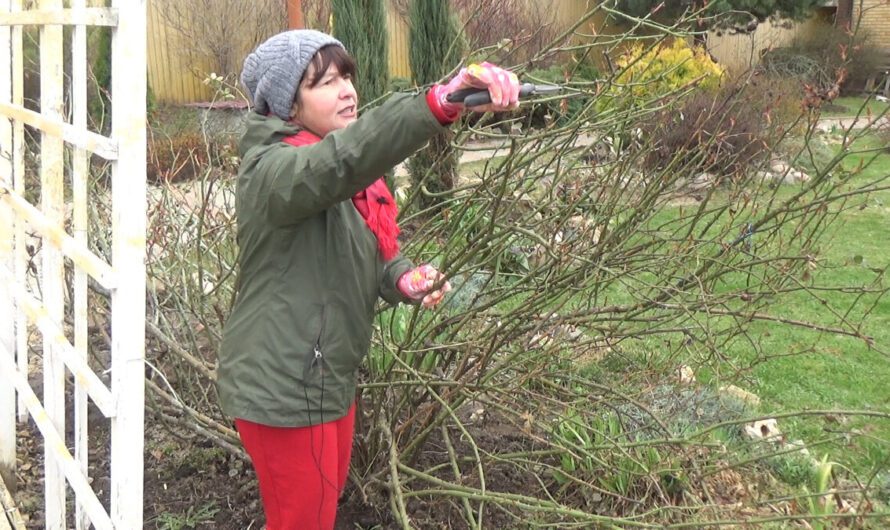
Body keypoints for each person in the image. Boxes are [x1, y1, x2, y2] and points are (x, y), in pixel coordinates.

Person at [218, 29, 521, 530]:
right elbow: (344, 160)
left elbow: (366, 253)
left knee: (320, 512)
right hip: (281, 384)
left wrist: (402, 278)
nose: (347, 91)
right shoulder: (272, 172)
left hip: (325, 374)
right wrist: (439, 101)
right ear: (287, 104)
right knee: (302, 522)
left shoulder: (339, 176)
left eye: (348, 77)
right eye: (325, 82)